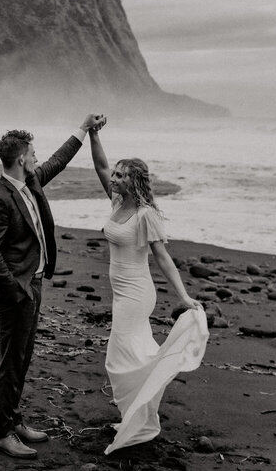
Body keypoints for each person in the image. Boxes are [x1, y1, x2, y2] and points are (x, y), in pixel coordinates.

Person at [0, 113, 106, 460]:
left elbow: (59, 161)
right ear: (21, 158)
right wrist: (15, 289)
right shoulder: (0, 198)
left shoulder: (31, 182)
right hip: (16, 292)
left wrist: (83, 129)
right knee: (11, 361)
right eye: (32, 154)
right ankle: (1, 433)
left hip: (33, 284)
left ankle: (13, 419)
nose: (37, 158)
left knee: (23, 358)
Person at [88, 119, 210, 455]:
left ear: (134, 181)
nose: (113, 178)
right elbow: (99, 164)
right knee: (133, 354)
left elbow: (164, 259)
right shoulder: (117, 203)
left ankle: (138, 419)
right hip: (121, 293)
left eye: (121, 176)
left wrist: (183, 296)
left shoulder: (145, 215)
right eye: (114, 175)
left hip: (137, 294)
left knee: (119, 357)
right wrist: (93, 134)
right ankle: (135, 415)